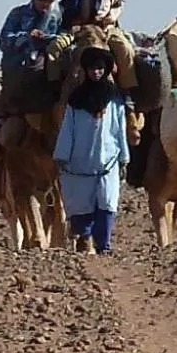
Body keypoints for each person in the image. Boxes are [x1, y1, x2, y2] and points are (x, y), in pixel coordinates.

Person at [53, 46, 131, 254]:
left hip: (108, 161)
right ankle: (83, 237)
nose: (95, 72)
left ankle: (103, 245)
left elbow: (119, 128)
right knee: (81, 204)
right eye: (91, 69)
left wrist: (124, 157)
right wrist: (62, 156)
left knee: (107, 202)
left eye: (99, 68)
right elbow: (68, 129)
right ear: (85, 71)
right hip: (79, 162)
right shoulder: (75, 100)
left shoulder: (115, 99)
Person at [50, 0, 139, 93]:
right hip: (78, 28)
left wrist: (108, 18)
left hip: (105, 29)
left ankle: (127, 92)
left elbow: (118, 4)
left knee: (125, 49)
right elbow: (63, 4)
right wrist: (73, 20)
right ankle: (53, 90)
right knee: (54, 48)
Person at [0, 0, 61, 72]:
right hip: (17, 66)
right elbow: (3, 41)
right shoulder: (18, 13)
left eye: (49, 1)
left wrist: (46, 38)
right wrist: (27, 36)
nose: (45, 4)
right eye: (41, 0)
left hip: (47, 66)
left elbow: (64, 37)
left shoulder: (58, 17)